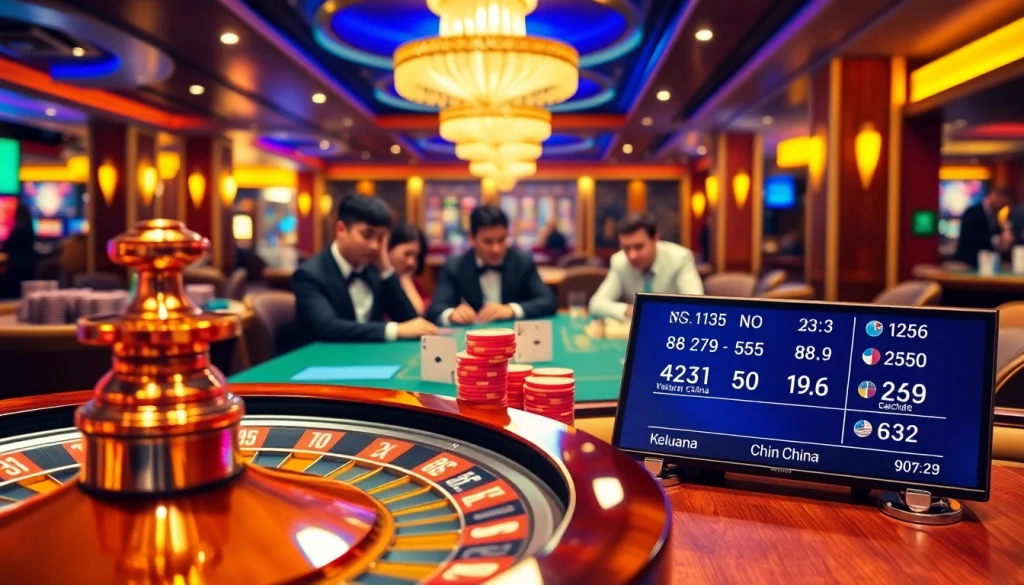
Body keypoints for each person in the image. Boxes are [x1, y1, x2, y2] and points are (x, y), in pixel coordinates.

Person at [292, 195, 437, 342]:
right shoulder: (310, 274)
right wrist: (394, 330)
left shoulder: (375, 269)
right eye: (367, 235)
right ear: (341, 230)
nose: (375, 246)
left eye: (380, 238)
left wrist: (386, 269)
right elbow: (327, 327)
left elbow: (410, 322)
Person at [426, 204, 556, 325]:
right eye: (488, 242)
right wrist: (451, 314)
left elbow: (548, 301)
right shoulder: (454, 266)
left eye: (502, 240)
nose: (496, 249)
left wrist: (511, 309)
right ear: (472, 238)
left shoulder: (522, 262)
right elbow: (435, 309)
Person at [589, 211, 703, 320]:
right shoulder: (619, 261)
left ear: (655, 240)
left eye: (639, 247)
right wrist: (630, 311)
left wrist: (657, 313)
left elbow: (697, 305)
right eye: (626, 248)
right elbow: (596, 304)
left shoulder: (680, 259)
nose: (632, 256)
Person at [955, 186, 1013, 267]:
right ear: (993, 196)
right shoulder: (972, 212)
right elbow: (968, 236)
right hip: (967, 262)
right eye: (1001, 202)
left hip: (988, 263)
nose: (1001, 206)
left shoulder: (998, 216)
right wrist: (995, 240)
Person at [388, 222, 428, 315]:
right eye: (407, 254)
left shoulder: (413, 282)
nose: (411, 262)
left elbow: (420, 313)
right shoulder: (374, 280)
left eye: (417, 257)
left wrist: (405, 280)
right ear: (388, 249)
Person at [1, 200, 36, 299]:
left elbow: (7, 247)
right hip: (29, 266)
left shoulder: (19, 230)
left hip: (16, 267)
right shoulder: (30, 229)